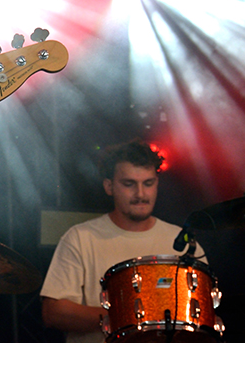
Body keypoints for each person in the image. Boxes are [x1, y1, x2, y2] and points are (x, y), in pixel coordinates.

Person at [39, 140, 204, 343]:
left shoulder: (182, 242)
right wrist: (128, 316)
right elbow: (53, 312)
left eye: (148, 183)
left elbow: (203, 314)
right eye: (129, 184)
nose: (141, 194)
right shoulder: (80, 238)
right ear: (109, 186)